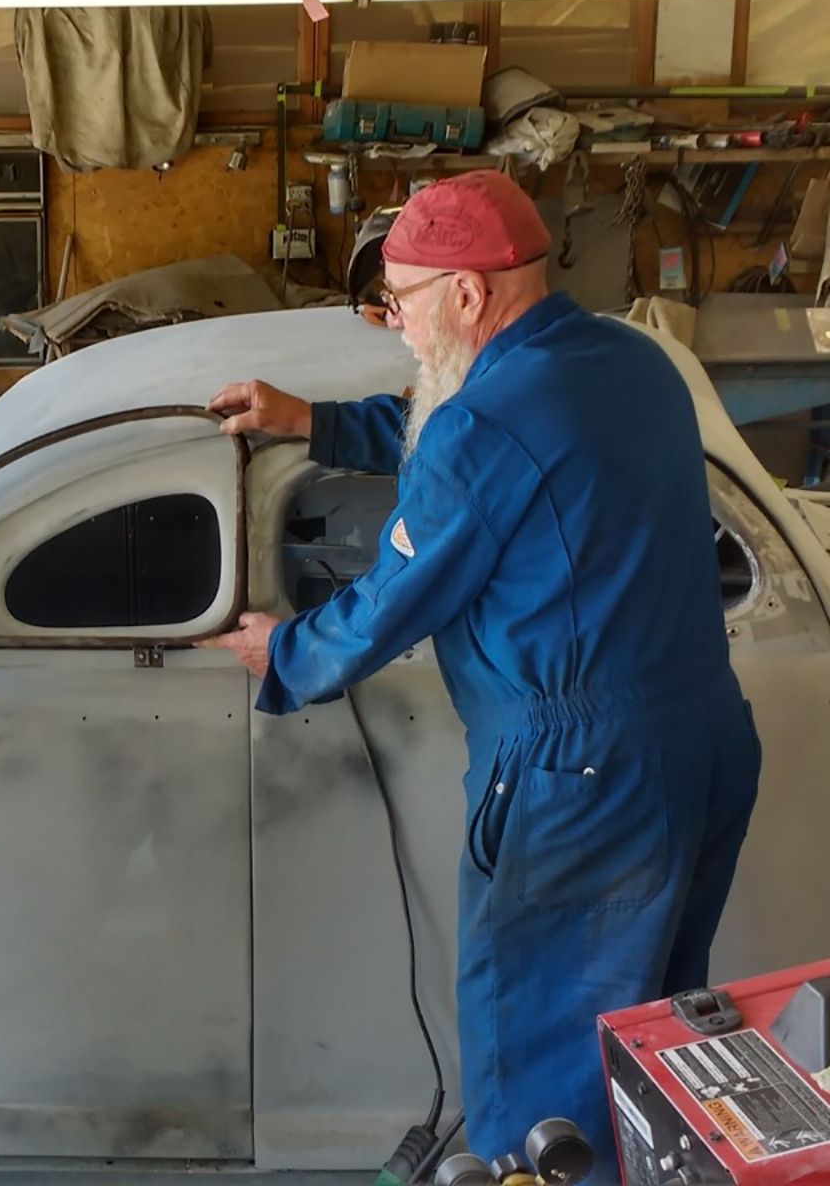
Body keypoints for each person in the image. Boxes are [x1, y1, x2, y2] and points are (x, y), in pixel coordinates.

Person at [203, 170, 761, 1169]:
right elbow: (472, 424)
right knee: (650, 1044)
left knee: (541, 1057)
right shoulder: (632, 363)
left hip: (577, 777)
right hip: (703, 739)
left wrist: (281, 651)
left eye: (401, 303)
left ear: (466, 294)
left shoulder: (486, 425)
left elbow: (398, 593)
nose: (397, 327)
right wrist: (315, 422)